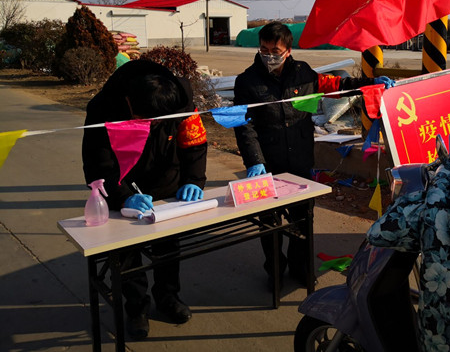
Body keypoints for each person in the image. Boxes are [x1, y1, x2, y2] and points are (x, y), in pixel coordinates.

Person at [234, 21, 394, 288]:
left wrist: (371, 84)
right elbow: (244, 124)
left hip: (300, 158)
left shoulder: (304, 73)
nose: (269, 56)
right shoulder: (247, 81)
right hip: (268, 162)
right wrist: (254, 161)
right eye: (264, 50)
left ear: (288, 50)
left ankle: (301, 267)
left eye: (275, 51)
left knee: (302, 219)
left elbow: (338, 85)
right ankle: (275, 270)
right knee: (270, 222)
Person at [82, 59, 208, 340]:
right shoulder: (103, 108)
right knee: (127, 251)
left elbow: (194, 143)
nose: (151, 125)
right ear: (129, 102)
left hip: (166, 180)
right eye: (145, 119)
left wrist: (193, 180)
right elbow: (97, 162)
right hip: (123, 182)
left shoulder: (180, 99)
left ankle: (168, 298)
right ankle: (136, 307)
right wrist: (122, 196)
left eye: (157, 121)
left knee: (168, 246)